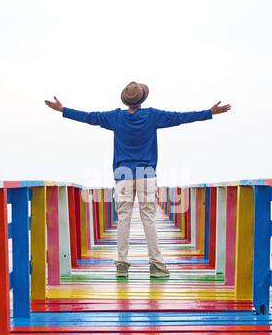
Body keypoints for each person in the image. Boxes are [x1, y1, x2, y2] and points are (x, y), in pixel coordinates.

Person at [45, 82, 231, 277]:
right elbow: (179, 118)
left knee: (123, 219)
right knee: (149, 219)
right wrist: (209, 113)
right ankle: (157, 266)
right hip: (146, 173)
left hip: (123, 174)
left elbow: (89, 117)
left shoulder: (115, 117)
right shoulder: (152, 116)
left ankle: (122, 265)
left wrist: (63, 110)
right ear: (143, 99)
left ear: (126, 100)